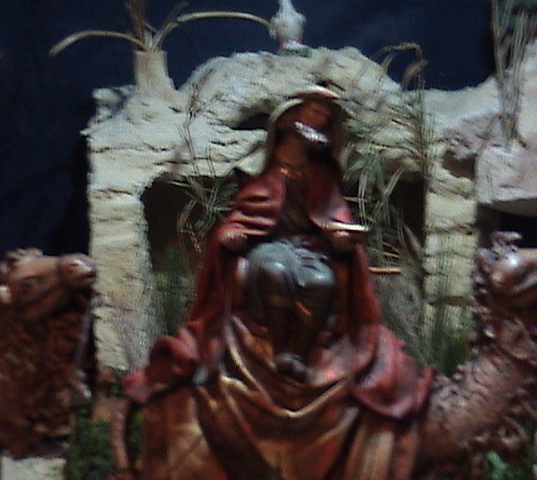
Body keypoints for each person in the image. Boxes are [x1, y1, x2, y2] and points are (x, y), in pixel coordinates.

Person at [122, 86, 433, 480]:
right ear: (289, 119)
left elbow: (334, 216)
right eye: (313, 113)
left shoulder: (322, 175)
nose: (319, 122)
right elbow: (244, 217)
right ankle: (280, 346)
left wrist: (340, 236)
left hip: (311, 250)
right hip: (270, 247)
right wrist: (232, 236)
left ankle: (297, 354)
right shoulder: (261, 171)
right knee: (271, 270)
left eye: (325, 118)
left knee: (321, 282)